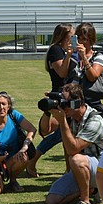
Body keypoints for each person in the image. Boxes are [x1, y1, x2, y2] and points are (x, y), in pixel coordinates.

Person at [43, 83, 103, 204]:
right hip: (82, 169)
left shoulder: (95, 120)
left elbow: (73, 149)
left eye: (65, 103)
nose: (62, 107)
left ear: (77, 102)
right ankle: (93, 190)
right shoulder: (70, 115)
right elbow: (45, 130)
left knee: (76, 159)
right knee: (52, 200)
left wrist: (62, 122)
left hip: (102, 171)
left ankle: (85, 202)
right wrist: (47, 112)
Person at [26, 23, 73, 178]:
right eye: (71, 35)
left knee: (63, 133)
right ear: (64, 35)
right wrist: (68, 55)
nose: (73, 38)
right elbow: (61, 72)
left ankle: (67, 169)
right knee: (62, 134)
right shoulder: (56, 50)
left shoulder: (61, 50)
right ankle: (33, 161)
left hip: (65, 94)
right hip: (60, 95)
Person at [0, 91, 37, 194]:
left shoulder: (14, 116)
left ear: (9, 106)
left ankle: (13, 181)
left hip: (12, 159)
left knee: (23, 157)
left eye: (4, 104)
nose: (1, 107)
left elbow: (32, 129)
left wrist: (25, 145)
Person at [67, 22, 103, 108]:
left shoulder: (97, 56)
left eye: (85, 39)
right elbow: (62, 74)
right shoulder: (72, 56)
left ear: (91, 40)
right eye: (79, 39)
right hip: (72, 100)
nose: (81, 42)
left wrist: (84, 57)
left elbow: (92, 77)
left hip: (90, 102)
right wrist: (67, 56)